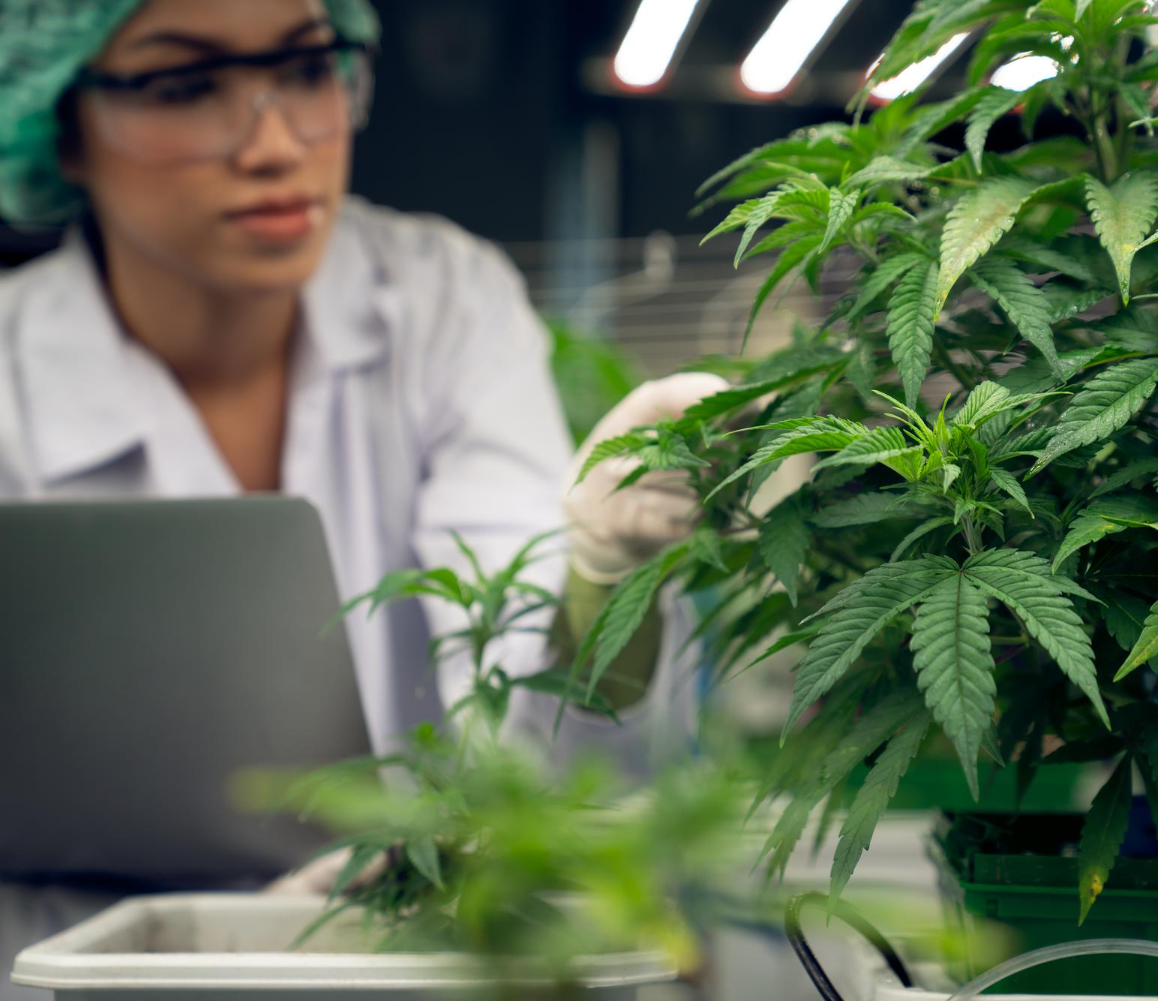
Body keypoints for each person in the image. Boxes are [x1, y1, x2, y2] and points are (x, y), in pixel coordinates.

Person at [0, 1, 725, 994]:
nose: (272, 141)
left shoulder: (441, 303)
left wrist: (602, 571)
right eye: (183, 85)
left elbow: (521, 671)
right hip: (72, 960)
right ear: (61, 124)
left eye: (306, 68)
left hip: (420, 953)